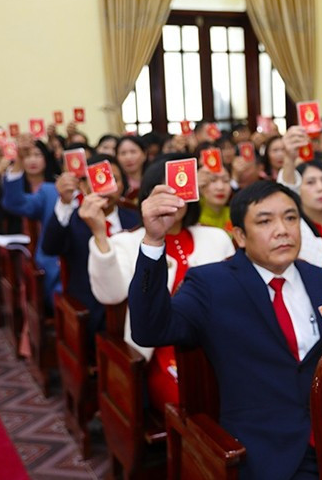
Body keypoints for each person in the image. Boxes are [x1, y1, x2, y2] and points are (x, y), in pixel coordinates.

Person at [128, 180, 322, 480]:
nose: (282, 230)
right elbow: (150, 330)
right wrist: (154, 241)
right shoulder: (211, 285)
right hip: (263, 450)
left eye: (290, 218)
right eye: (265, 221)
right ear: (239, 236)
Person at [87, 156, 235, 413]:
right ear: (148, 196)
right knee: (197, 398)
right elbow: (110, 295)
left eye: (181, 189)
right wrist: (100, 234)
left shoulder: (216, 237)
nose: (174, 199)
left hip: (220, 343)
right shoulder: (128, 242)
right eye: (165, 191)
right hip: (161, 350)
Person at [41, 155, 140, 345]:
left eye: (114, 179)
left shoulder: (135, 218)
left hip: (134, 304)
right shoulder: (71, 220)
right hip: (91, 308)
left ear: (123, 186)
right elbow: (50, 247)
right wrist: (64, 203)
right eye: (97, 179)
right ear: (84, 186)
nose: (105, 187)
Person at [1, 135, 62, 304]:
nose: (32, 160)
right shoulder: (50, 192)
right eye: (28, 156)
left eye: (37, 155)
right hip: (53, 266)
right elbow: (14, 203)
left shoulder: (58, 186)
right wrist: (18, 162)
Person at [198, 165, 233, 234]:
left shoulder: (235, 215)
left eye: (226, 181)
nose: (220, 187)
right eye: (213, 180)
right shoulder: (191, 218)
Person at [116, 135, 148, 208]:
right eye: (123, 153)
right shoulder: (116, 184)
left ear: (144, 154)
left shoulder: (154, 179)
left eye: (133, 152)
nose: (128, 157)